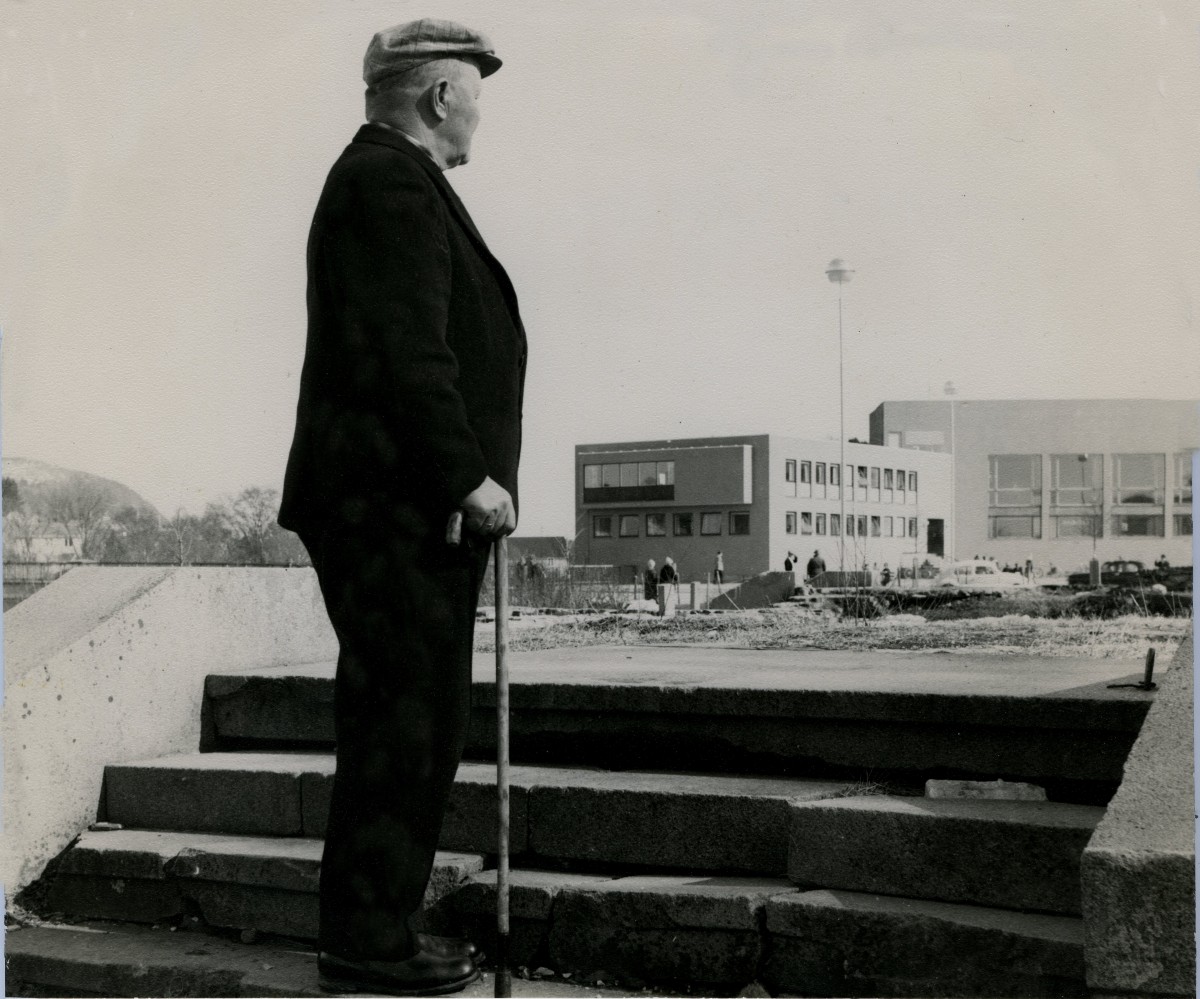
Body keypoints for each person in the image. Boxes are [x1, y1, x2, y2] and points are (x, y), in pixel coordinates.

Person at [277, 19, 525, 996]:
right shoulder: (388, 183)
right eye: (475, 94)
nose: (481, 114)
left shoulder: (389, 180)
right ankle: (368, 940)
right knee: (404, 721)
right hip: (395, 511)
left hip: (397, 508)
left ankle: (373, 929)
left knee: (408, 718)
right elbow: (406, 350)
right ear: (439, 96)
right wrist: (464, 475)